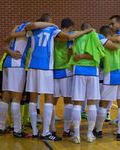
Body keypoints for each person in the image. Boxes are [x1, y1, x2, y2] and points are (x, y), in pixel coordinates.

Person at [25, 13, 92, 141]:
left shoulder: (34, 31)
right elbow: (70, 38)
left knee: (35, 100)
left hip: (35, 67)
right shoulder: (55, 32)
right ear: (71, 26)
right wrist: (86, 31)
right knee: (64, 101)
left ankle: (43, 130)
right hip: (57, 70)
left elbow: (28, 27)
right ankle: (62, 130)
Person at [51, 18, 74, 137]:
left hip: (53, 71)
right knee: (68, 101)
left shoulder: (54, 34)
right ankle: (66, 130)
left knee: (52, 102)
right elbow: (71, 51)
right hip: (65, 70)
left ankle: (52, 128)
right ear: (70, 27)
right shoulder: (69, 36)